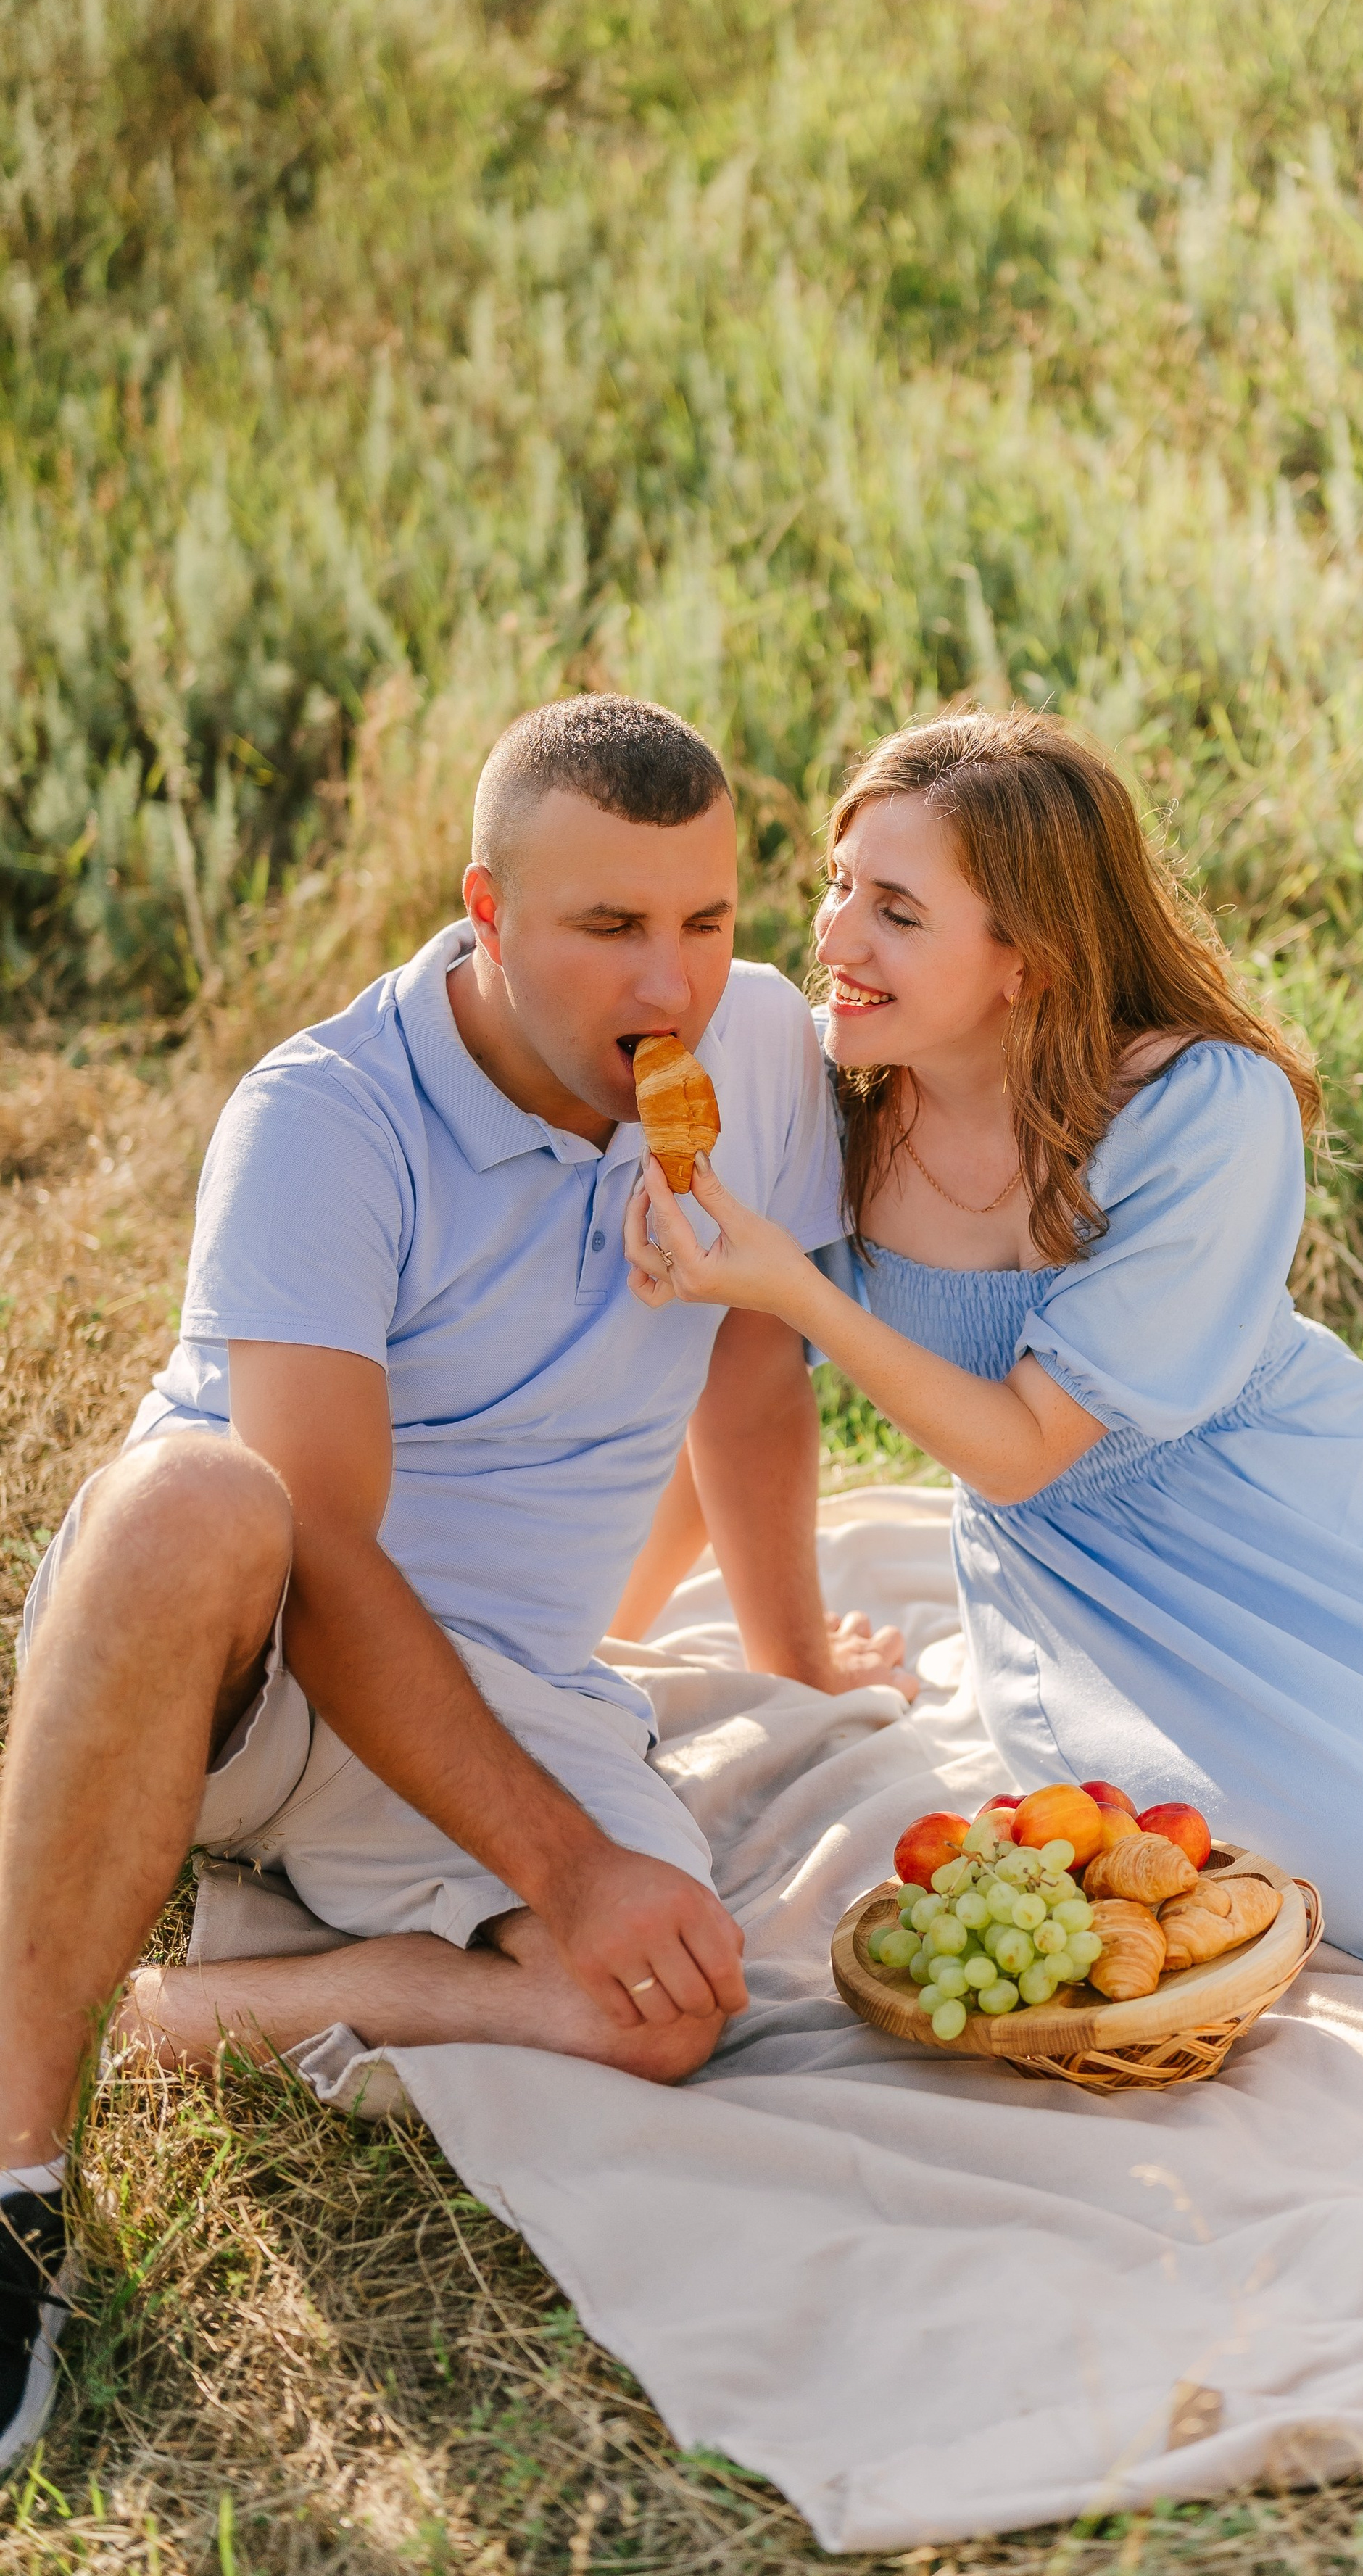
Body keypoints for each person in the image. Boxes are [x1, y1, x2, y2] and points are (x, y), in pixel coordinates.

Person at [0, 692, 908, 2473]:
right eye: (608, 928)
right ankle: (17, 2166)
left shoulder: (757, 1060)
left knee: (661, 2007)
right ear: (486, 914)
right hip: (238, 1672)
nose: (671, 983)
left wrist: (796, 1667)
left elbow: (746, 1369)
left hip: (511, 1685)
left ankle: (170, 2005)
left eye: (706, 921)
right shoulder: (327, 1120)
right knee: (191, 1496)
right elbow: (321, 1552)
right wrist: (563, 1865)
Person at [626, 706, 1363, 1982]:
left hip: (1318, 1511)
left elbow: (1027, 1441)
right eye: (838, 885)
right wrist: (617, 1648)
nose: (835, 938)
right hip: (1085, 1594)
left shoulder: (1200, 1109)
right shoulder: (826, 1100)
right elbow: (739, 1394)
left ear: (1025, 955)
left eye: (897, 913)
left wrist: (806, 1299)